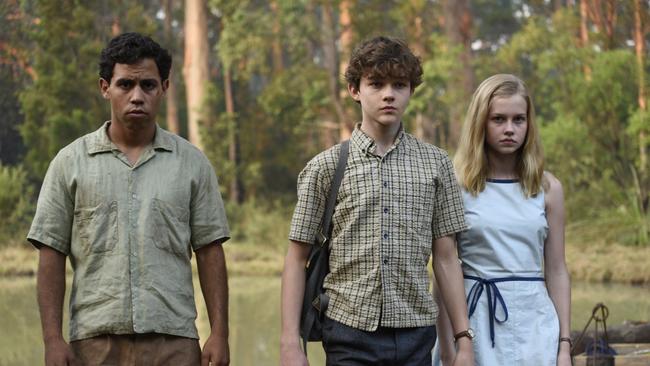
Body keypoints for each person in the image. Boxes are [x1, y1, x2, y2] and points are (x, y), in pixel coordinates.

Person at [28, 32, 231, 366]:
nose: (137, 96)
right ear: (105, 87)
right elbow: (52, 253)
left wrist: (220, 334)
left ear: (165, 87)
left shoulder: (192, 164)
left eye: (148, 85)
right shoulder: (69, 163)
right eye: (125, 85)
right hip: (94, 344)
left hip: (174, 341)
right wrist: (52, 339)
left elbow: (210, 251)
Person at [280, 36, 474, 366]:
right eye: (376, 84)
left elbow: (445, 258)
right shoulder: (325, 167)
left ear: (411, 90)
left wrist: (463, 341)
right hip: (347, 331)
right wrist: (289, 343)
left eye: (399, 84)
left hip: (416, 333)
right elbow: (297, 259)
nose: (388, 94)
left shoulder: (437, 165)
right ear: (355, 90)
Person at [433, 74, 572, 365]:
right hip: (474, 322)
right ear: (480, 122)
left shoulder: (547, 189)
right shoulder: (456, 187)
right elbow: (444, 271)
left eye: (518, 119)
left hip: (536, 323)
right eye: (498, 119)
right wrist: (449, 349)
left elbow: (557, 270)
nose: (509, 129)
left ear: (529, 124)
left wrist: (564, 346)